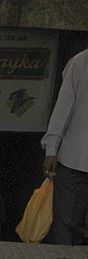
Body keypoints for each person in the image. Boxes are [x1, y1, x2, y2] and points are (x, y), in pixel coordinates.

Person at [42, 48, 88, 244]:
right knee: (67, 222)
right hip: (75, 158)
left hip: (76, 156)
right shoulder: (81, 62)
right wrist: (51, 148)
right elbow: (64, 106)